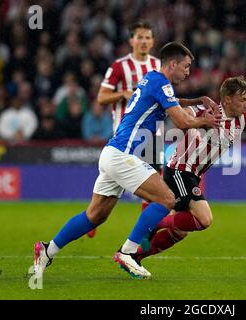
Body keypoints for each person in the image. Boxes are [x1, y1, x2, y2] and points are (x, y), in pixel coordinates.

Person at [33, 42, 222, 279]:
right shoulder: (160, 83)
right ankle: (128, 252)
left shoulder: (152, 80)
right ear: (172, 64)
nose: (187, 71)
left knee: (95, 215)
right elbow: (182, 122)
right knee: (166, 198)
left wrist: (197, 101)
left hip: (112, 153)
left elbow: (173, 104)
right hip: (124, 154)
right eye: (185, 66)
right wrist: (206, 122)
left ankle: (47, 251)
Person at [132, 76, 246, 264]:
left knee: (181, 231)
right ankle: (153, 223)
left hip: (193, 175)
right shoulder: (208, 111)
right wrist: (196, 115)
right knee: (204, 218)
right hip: (180, 170)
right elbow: (179, 113)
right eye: (242, 99)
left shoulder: (244, 118)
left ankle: (136, 256)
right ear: (227, 99)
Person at [86, 21, 159, 238]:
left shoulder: (158, 66)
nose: (144, 41)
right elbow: (101, 97)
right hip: (124, 136)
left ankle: (144, 236)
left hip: (152, 135)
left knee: (155, 184)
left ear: (153, 41)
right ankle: (92, 218)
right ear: (131, 41)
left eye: (148, 37)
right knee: (109, 186)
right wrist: (123, 94)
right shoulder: (119, 66)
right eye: (140, 37)